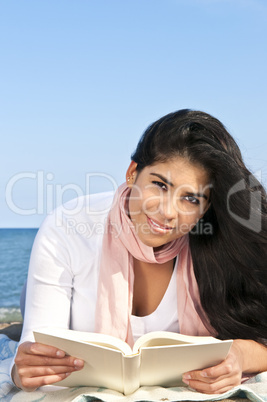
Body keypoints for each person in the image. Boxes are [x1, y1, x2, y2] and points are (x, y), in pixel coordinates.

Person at [11, 109, 267, 394]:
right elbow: (33, 350)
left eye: (191, 198)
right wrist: (23, 369)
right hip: (54, 289)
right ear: (132, 173)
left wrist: (240, 356)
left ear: (205, 207)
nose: (168, 212)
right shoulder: (68, 226)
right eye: (159, 185)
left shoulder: (217, 244)